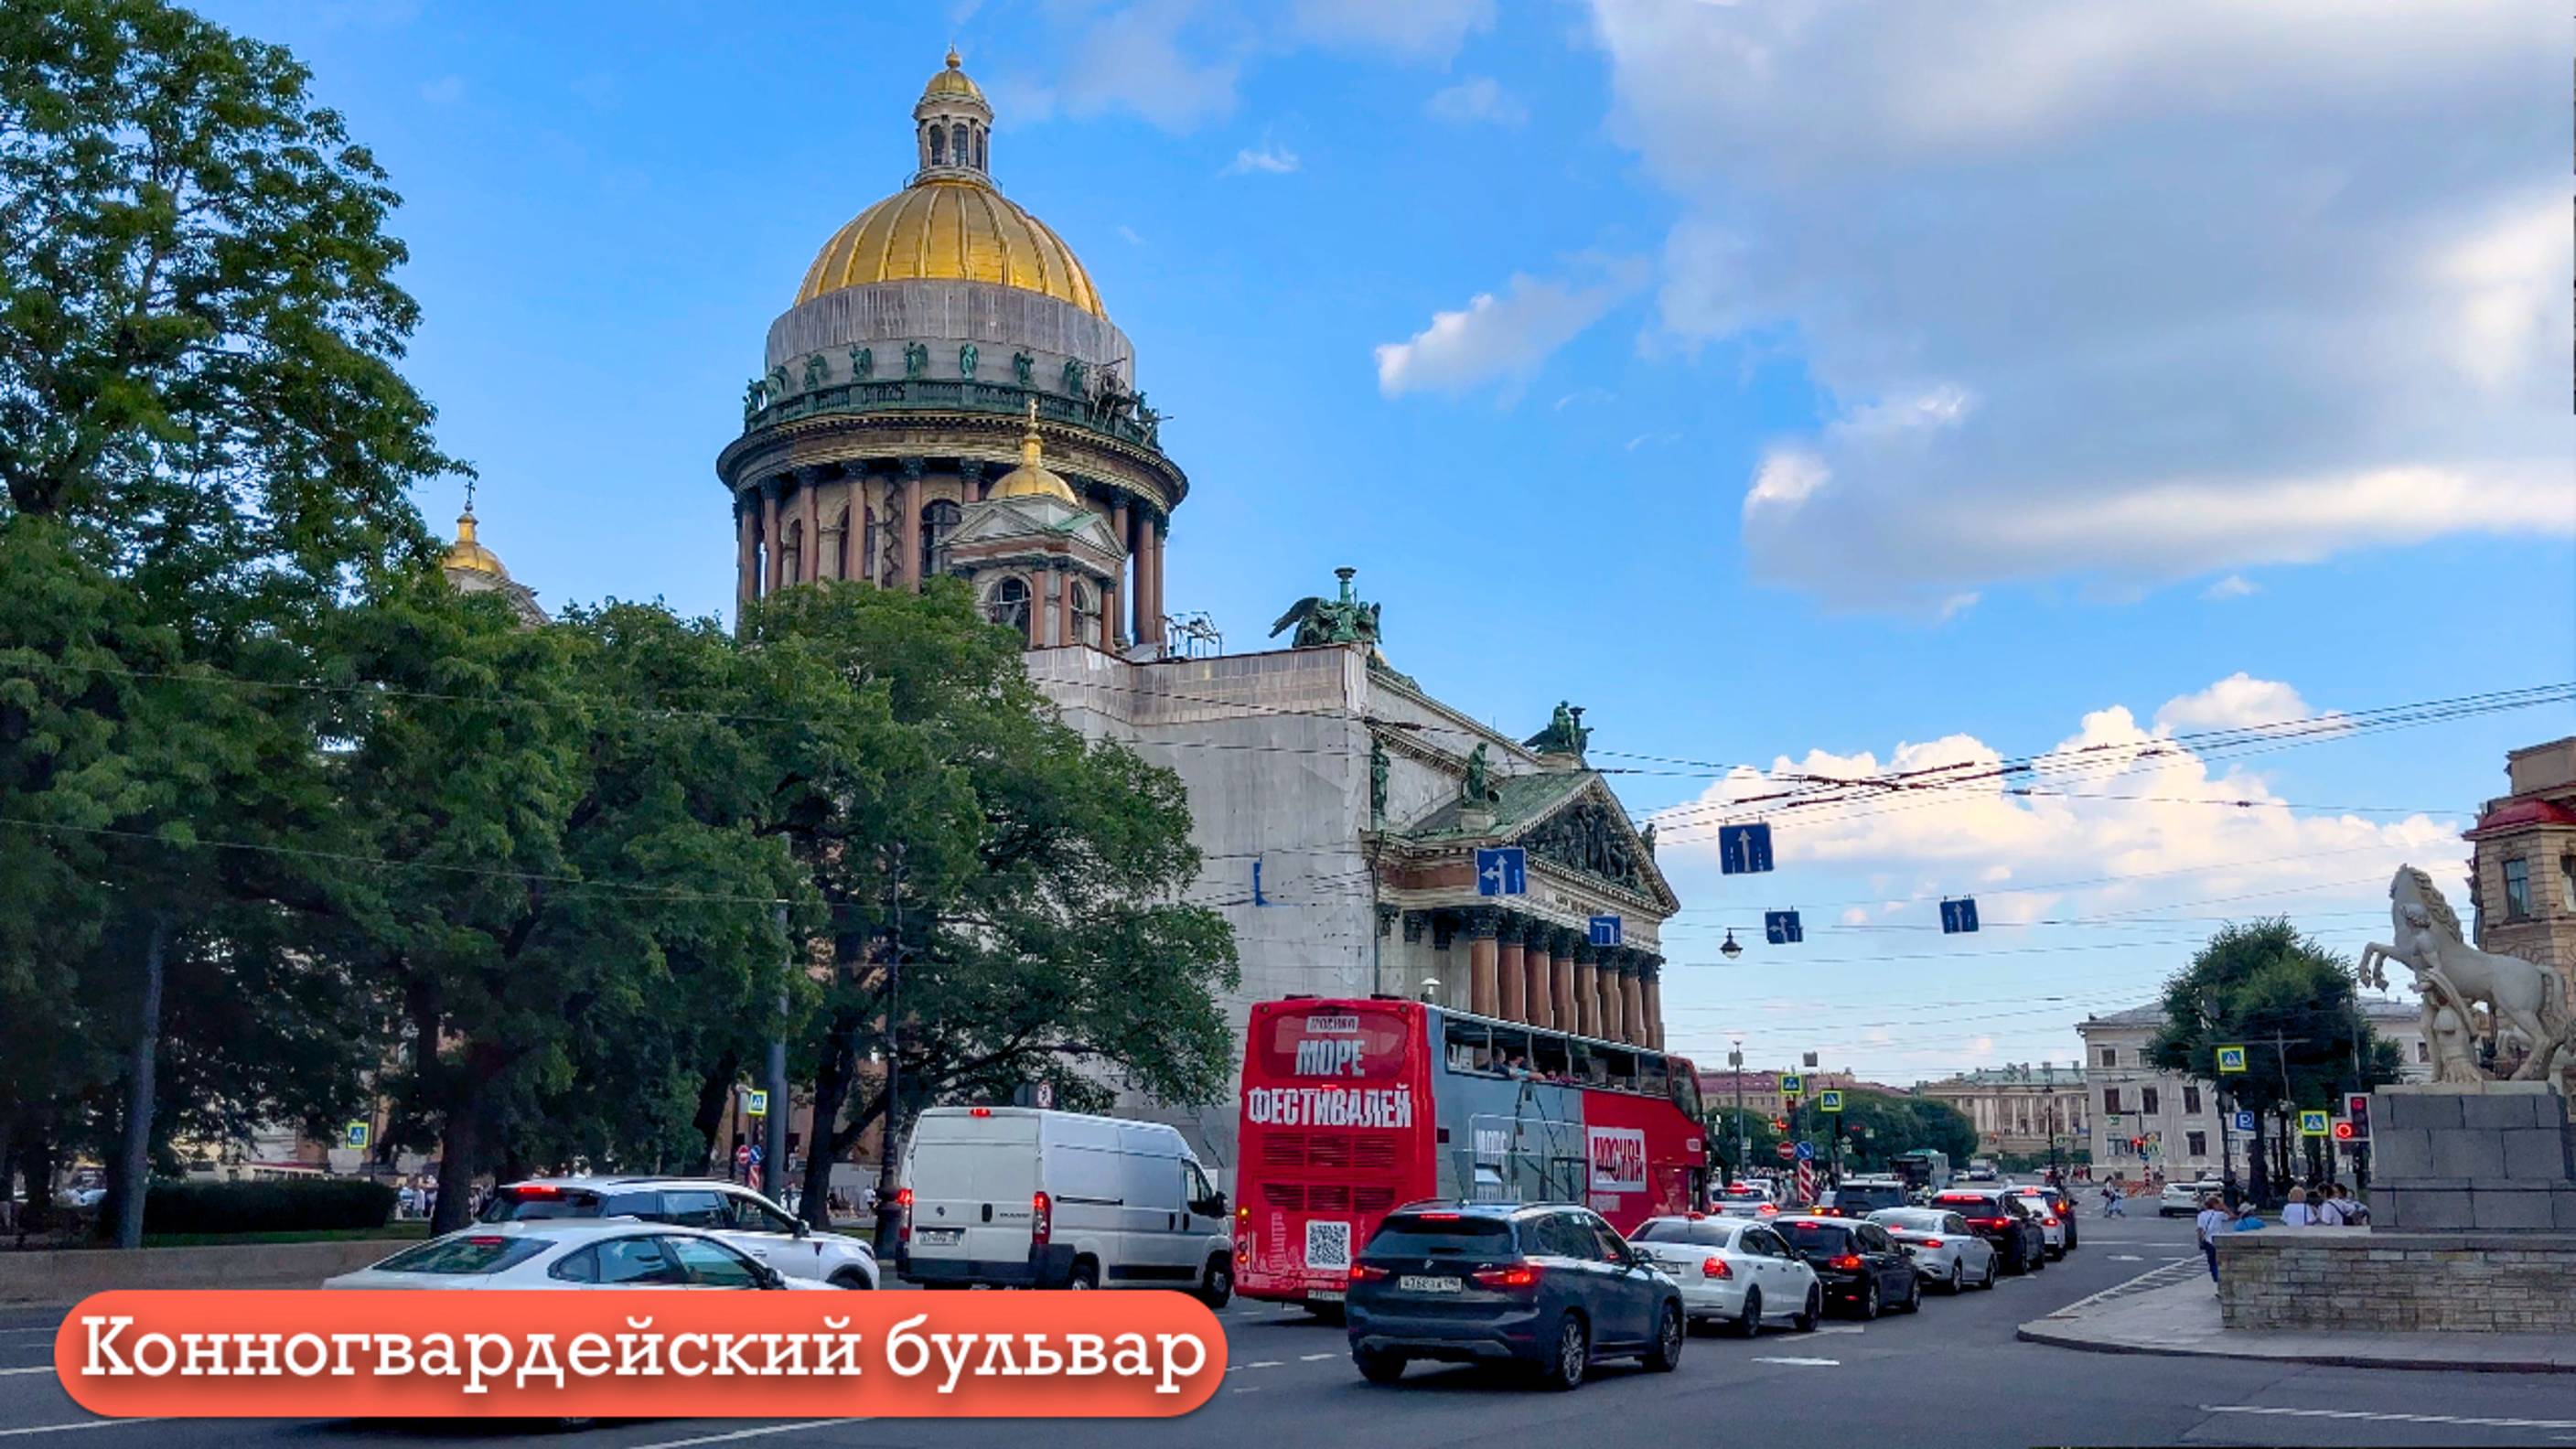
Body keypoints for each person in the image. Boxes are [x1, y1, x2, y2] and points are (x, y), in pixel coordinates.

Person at [2195, 1195, 2229, 1283]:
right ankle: (2220, 1278)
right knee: (2220, 1261)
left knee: (2212, 1262)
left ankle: (2216, 1278)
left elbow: (2200, 1230)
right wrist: (2224, 1206)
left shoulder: (2201, 1215)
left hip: (2208, 1241)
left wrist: (2200, 1241)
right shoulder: (2219, 1214)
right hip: (2219, 1240)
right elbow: (2231, 1216)